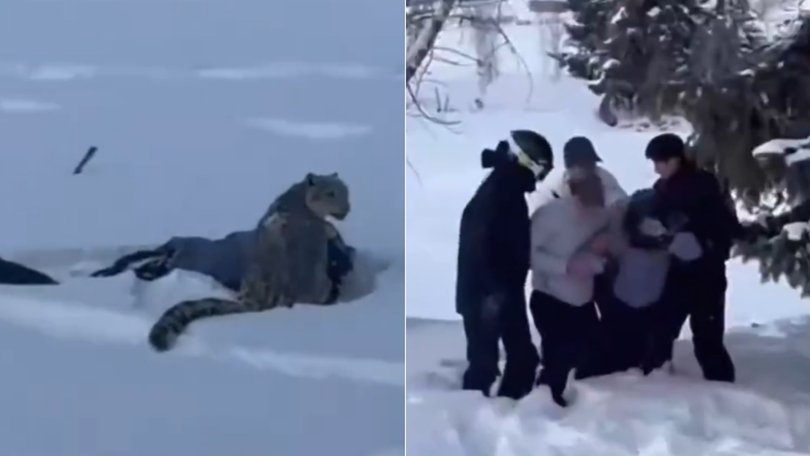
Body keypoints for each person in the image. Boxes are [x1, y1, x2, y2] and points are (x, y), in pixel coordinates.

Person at [455, 130, 554, 400]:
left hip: (499, 289)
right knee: (485, 363)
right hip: (490, 292)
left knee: (519, 357)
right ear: (527, 160)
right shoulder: (502, 190)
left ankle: (508, 405)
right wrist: (493, 292)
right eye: (542, 168)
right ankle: (468, 416)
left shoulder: (503, 184)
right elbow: (481, 242)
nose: (541, 177)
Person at [643, 133, 743, 382]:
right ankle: (654, 382)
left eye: (661, 162)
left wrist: (699, 238)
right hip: (677, 270)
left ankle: (723, 390)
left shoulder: (704, 185)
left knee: (707, 338)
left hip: (707, 272)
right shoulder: (661, 188)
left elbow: (726, 225)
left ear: (676, 159)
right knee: (660, 328)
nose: (657, 168)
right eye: (654, 162)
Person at [528, 167, 612, 407]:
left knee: (592, 351)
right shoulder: (549, 216)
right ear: (574, 195)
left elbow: (611, 238)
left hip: (582, 301)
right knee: (558, 358)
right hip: (550, 298)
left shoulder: (601, 215)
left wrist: (600, 257)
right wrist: (565, 266)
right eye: (585, 204)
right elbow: (528, 255)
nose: (590, 212)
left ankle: (588, 405)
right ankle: (543, 407)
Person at [546, 136, 627, 206]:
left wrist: (618, 206)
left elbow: (618, 197)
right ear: (572, 167)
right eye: (585, 164)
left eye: (592, 163)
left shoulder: (604, 179)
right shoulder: (555, 185)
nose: (591, 168)